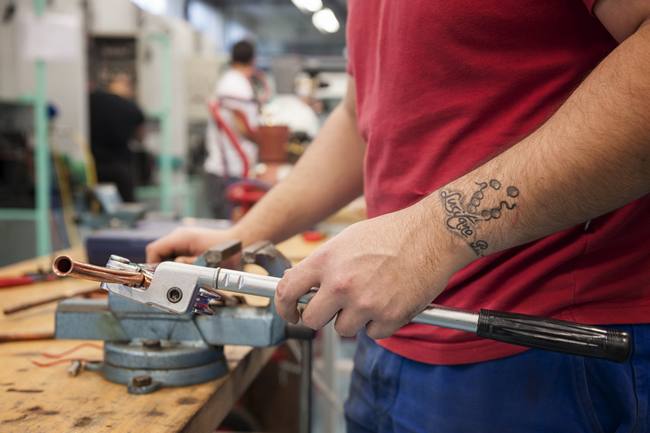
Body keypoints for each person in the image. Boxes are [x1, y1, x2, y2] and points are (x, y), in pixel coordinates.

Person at [148, 1, 650, 431]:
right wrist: (240, 237)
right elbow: (358, 117)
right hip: (389, 338)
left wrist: (433, 235)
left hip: (540, 348)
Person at [204, 40, 260, 219]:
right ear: (253, 60)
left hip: (228, 171)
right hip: (229, 172)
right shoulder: (236, 85)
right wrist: (268, 143)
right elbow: (242, 126)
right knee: (231, 235)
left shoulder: (230, 81)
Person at [89, 73, 145, 202]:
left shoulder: (92, 100)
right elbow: (140, 137)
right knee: (125, 209)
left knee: (95, 208)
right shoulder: (131, 107)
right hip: (121, 169)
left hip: (92, 167)